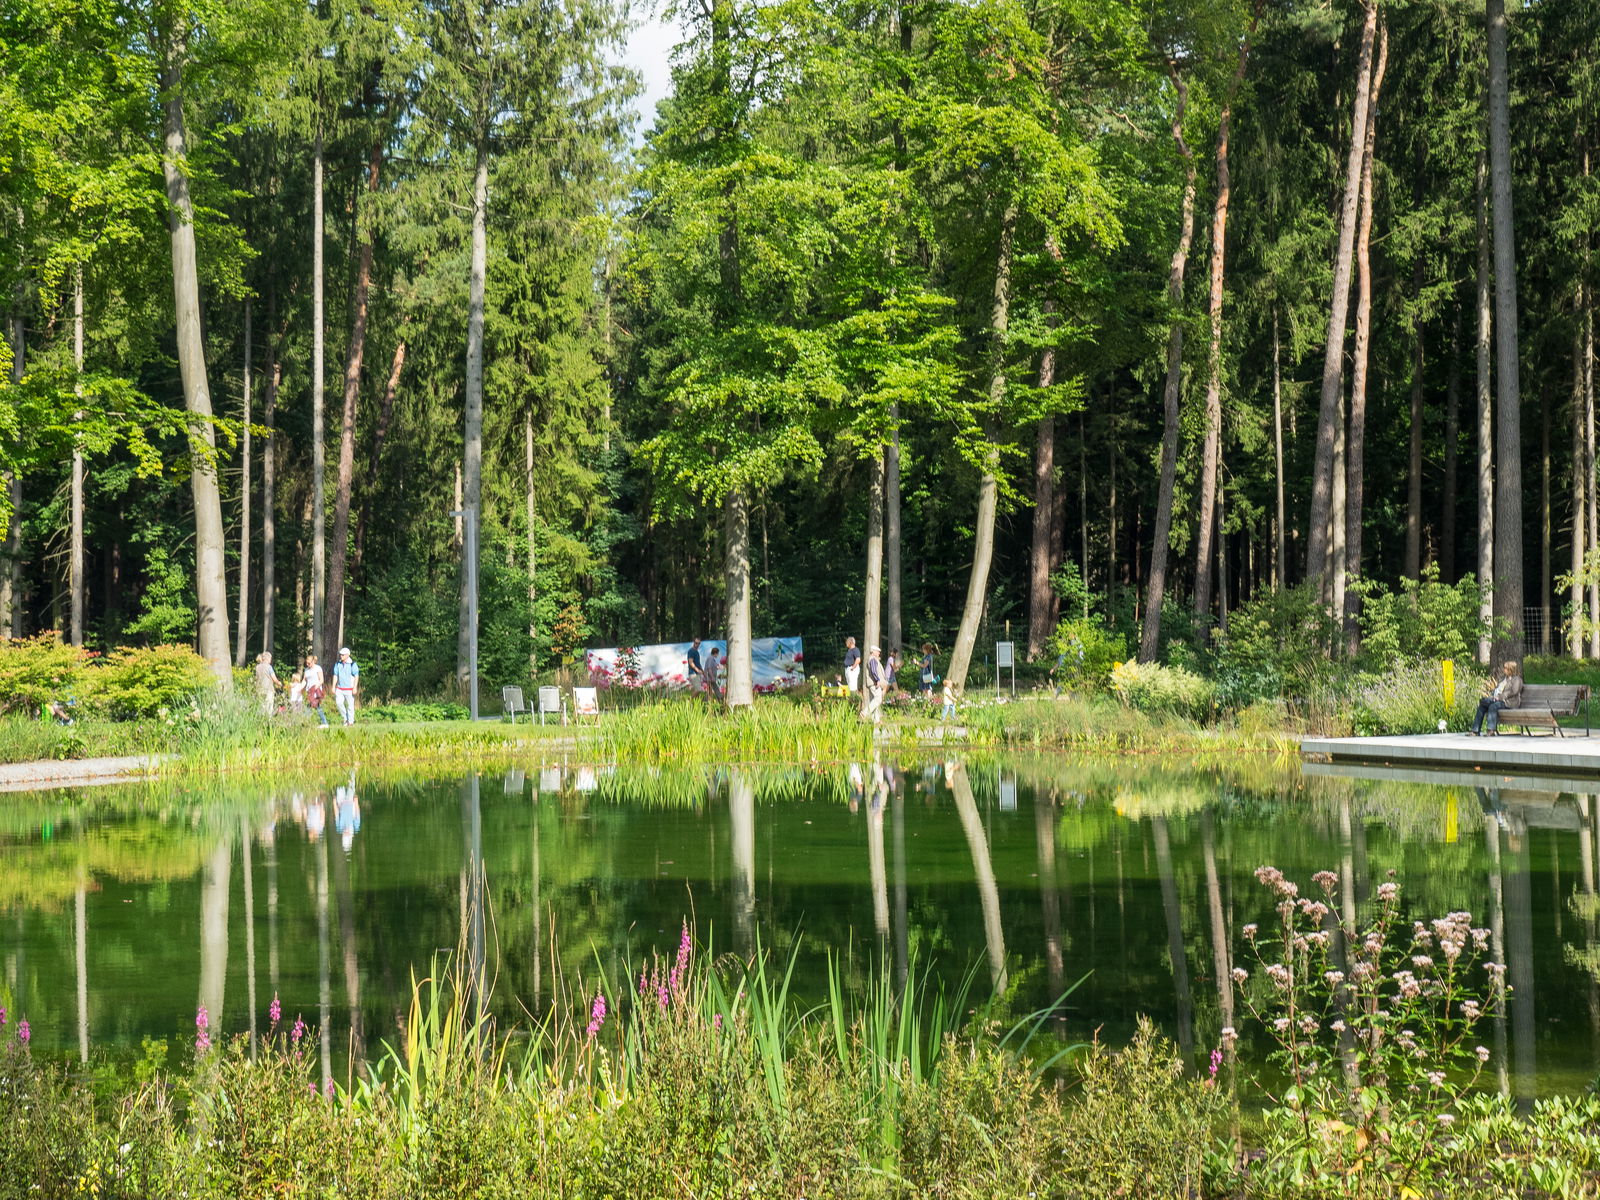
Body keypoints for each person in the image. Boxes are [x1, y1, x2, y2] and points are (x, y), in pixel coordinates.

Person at [1471, 660, 1524, 736]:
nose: (1504, 669)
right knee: (1482, 706)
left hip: (1509, 703)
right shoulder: (1505, 679)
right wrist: (1495, 696)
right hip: (1500, 700)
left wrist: (1500, 697)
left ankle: (1491, 730)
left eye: (1505, 668)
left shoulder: (1517, 680)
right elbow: (1499, 689)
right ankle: (1475, 730)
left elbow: (1514, 691)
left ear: (1510, 669)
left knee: (1493, 706)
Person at [332, 646, 360, 726]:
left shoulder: (352, 664)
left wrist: (355, 687)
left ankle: (350, 721)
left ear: (347, 655)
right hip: (340, 688)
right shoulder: (338, 664)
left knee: (350, 705)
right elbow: (335, 675)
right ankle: (345, 718)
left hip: (349, 688)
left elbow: (356, 676)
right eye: (341, 654)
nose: (341, 656)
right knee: (339, 703)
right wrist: (333, 686)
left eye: (343, 655)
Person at [861, 645, 887, 724]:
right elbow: (874, 671)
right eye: (878, 651)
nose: (879, 653)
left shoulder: (872, 659)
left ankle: (876, 720)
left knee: (875, 700)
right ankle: (865, 712)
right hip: (874, 683)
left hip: (873, 683)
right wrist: (877, 680)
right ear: (873, 651)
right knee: (878, 699)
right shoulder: (872, 659)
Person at [303, 653, 330, 727]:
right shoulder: (306, 670)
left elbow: (321, 680)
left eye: (309, 663)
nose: (308, 664)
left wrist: (314, 688)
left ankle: (323, 722)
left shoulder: (318, 668)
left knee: (314, 706)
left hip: (316, 690)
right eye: (307, 663)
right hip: (309, 691)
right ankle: (307, 722)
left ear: (313, 662)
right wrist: (299, 688)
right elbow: (304, 681)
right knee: (312, 706)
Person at [253, 652, 280, 716]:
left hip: (259, 689)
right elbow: (274, 679)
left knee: (262, 707)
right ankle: (268, 722)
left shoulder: (257, 667)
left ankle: (261, 721)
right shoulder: (269, 667)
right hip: (268, 689)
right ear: (268, 658)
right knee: (269, 707)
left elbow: (256, 678)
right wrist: (279, 683)